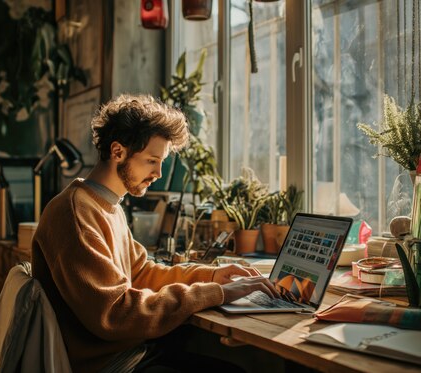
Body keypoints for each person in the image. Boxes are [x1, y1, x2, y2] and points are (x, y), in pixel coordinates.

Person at [32, 94, 280, 372]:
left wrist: (211, 275)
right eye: (152, 161)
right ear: (118, 152)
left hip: (131, 352)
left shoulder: (107, 206)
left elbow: (142, 273)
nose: (159, 173)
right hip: (111, 365)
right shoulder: (74, 213)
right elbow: (115, 312)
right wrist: (216, 293)